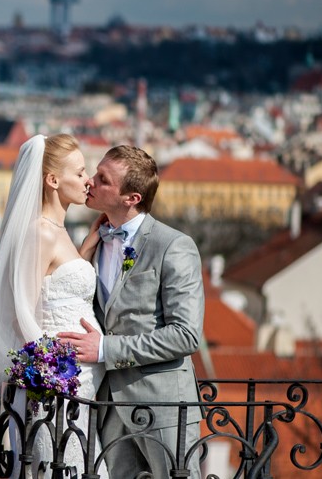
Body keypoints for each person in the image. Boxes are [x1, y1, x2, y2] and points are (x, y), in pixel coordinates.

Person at [57, 145, 205, 479]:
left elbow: (186, 334)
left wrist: (106, 349)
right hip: (108, 407)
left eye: (102, 179)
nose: (89, 182)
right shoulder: (94, 239)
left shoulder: (173, 246)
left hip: (164, 406)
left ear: (131, 198)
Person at [0, 133, 107, 478]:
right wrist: (50, 367)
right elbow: (22, 307)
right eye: (79, 173)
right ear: (52, 180)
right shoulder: (41, 233)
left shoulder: (60, 232)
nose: (87, 179)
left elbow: (60, 286)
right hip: (61, 382)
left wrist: (86, 250)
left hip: (82, 379)